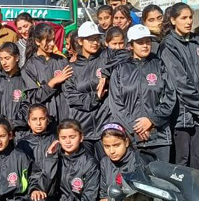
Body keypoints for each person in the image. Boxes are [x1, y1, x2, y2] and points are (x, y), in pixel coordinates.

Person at [159, 3, 199, 172]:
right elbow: (180, 81)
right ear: (173, 20)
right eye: (183, 18)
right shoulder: (169, 45)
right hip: (181, 114)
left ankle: (198, 195)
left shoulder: (195, 41)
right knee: (182, 160)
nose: (188, 21)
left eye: (190, 17)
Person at [109, 25, 177, 163]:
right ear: (131, 45)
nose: (145, 45)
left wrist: (151, 120)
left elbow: (169, 97)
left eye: (147, 41)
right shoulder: (120, 69)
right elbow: (116, 103)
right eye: (140, 42)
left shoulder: (159, 65)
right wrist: (135, 128)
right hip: (132, 138)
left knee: (161, 181)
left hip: (159, 137)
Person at [64, 21, 126, 155]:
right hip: (83, 129)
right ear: (80, 41)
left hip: (106, 125)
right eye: (90, 39)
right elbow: (72, 98)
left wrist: (106, 72)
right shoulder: (72, 68)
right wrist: (96, 97)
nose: (95, 42)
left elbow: (124, 55)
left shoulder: (106, 56)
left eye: (97, 39)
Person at [22, 23, 72, 125]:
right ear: (37, 41)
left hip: (66, 117)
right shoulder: (29, 67)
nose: (52, 43)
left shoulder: (62, 60)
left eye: (53, 39)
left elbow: (72, 89)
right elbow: (33, 98)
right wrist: (52, 83)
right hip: (45, 121)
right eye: (48, 40)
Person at [0, 42, 29, 132]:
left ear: (17, 58)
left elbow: (27, 105)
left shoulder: (25, 79)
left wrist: (12, 123)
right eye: (1, 59)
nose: (4, 63)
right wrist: (1, 122)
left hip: (20, 132)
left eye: (7, 58)